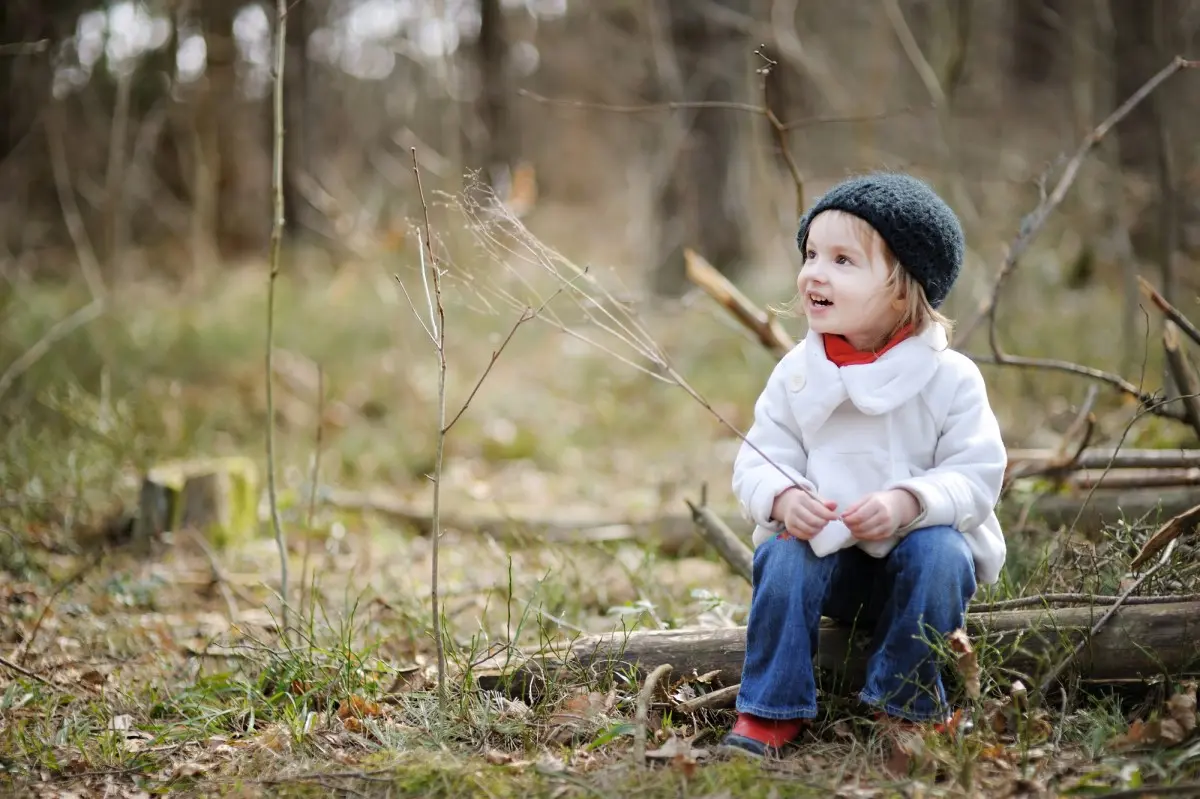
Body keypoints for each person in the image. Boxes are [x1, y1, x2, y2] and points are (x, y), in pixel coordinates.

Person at [720, 172, 1008, 758]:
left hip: (914, 570)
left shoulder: (949, 378)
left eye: (843, 259)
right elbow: (758, 458)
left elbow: (978, 472)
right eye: (810, 254)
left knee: (944, 552)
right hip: (827, 569)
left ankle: (905, 701)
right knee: (782, 551)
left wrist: (909, 503)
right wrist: (781, 497)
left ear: (903, 289)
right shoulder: (799, 373)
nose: (814, 273)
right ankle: (771, 708)